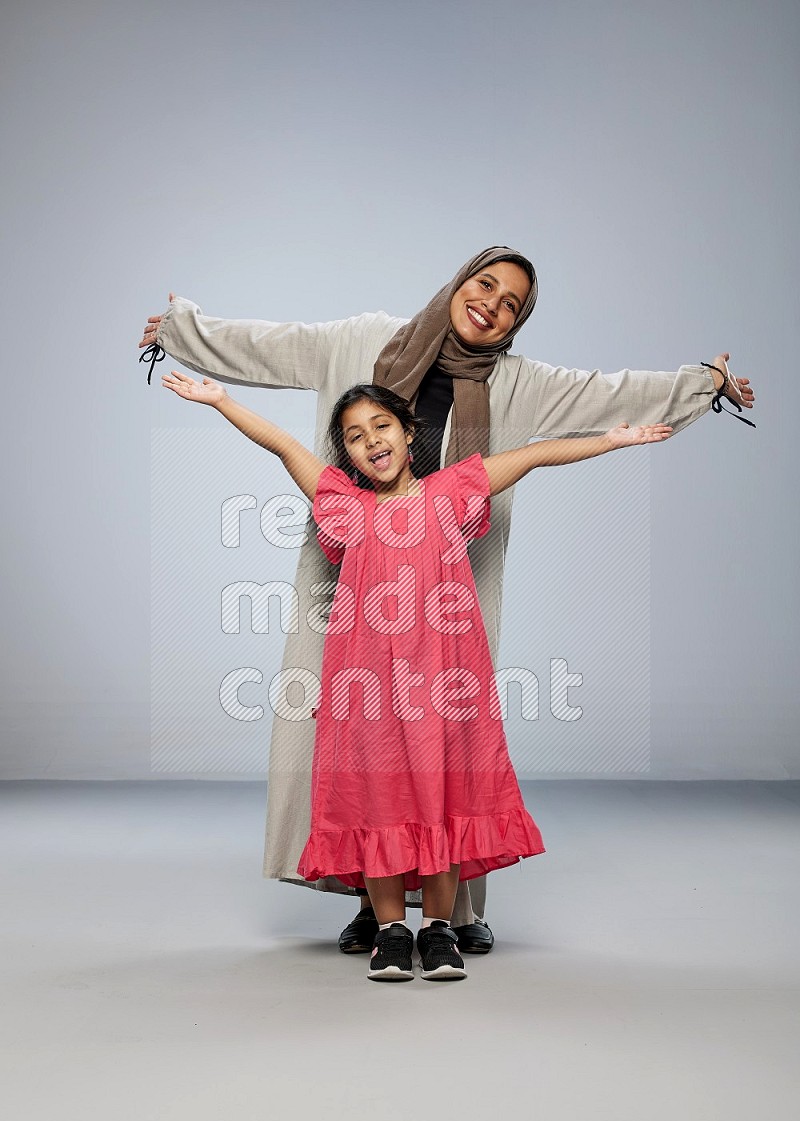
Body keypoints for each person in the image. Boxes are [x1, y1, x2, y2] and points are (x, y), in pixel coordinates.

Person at [139, 246, 755, 958]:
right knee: (347, 742)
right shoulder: (363, 340)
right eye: (485, 284)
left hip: (448, 581)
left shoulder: (521, 382)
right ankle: (374, 906)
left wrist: (699, 383)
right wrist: (181, 332)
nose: (491, 304)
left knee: (449, 745)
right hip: (347, 568)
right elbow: (270, 352)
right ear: (461, 280)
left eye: (511, 305)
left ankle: (452, 911)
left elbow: (604, 398)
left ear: (515, 324)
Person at [160, 369, 674, 981]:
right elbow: (281, 444)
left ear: (409, 433)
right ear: (346, 452)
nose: (371, 441)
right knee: (376, 797)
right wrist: (222, 401)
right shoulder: (343, 508)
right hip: (367, 692)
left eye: (382, 427)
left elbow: (535, 455)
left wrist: (608, 442)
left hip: (445, 685)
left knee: (443, 792)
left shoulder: (452, 492)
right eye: (354, 436)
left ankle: (436, 929)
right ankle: (390, 931)